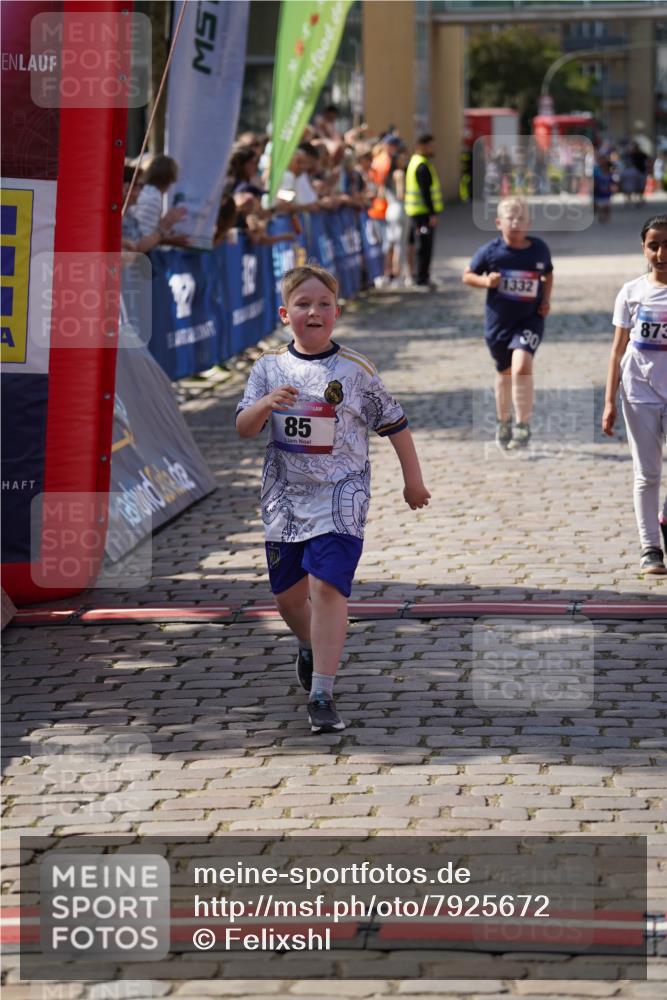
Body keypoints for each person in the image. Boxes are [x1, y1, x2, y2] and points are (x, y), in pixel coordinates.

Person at [235, 264, 431, 734]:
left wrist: (414, 481)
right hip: (284, 500)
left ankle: (322, 692)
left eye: (324, 304)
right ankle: (308, 644)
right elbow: (243, 427)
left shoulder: (356, 371)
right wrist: (265, 404)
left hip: (342, 496)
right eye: (303, 304)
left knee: (326, 587)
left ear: (337, 313)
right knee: (288, 599)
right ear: (285, 314)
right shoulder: (268, 369)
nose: (314, 311)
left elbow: (396, 425)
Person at [602, 215, 667, 575]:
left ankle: (665, 518)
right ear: (643, 248)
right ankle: (650, 547)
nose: (661, 253)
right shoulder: (631, 293)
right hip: (639, 393)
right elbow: (617, 350)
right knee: (648, 474)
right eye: (653, 245)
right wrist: (609, 401)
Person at [462, 197, 553, 450]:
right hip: (499, 324)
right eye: (510, 218)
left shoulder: (539, 249)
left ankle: (523, 424)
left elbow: (548, 274)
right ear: (498, 222)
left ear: (529, 223)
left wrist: (546, 300)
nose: (515, 223)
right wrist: (486, 282)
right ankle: (504, 420)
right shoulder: (491, 252)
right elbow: (467, 275)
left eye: (520, 218)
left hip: (530, 319)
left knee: (521, 365)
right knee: (504, 373)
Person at [405, 133, 443, 289]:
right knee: (424, 246)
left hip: (418, 213)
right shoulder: (421, 165)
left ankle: (423, 276)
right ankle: (421, 279)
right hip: (422, 214)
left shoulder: (416, 162)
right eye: (430, 146)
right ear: (421, 146)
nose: (433, 148)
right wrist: (432, 213)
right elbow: (425, 192)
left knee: (421, 245)